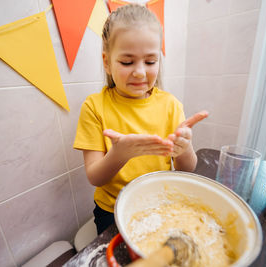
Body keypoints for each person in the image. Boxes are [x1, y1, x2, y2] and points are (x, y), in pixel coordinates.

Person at [73, 3, 208, 234]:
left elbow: (188, 168)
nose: (140, 72)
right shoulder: (94, 107)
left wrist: (183, 148)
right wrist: (120, 154)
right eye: (127, 62)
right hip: (112, 212)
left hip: (160, 205)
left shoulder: (170, 105)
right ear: (107, 62)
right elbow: (95, 177)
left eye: (150, 61)